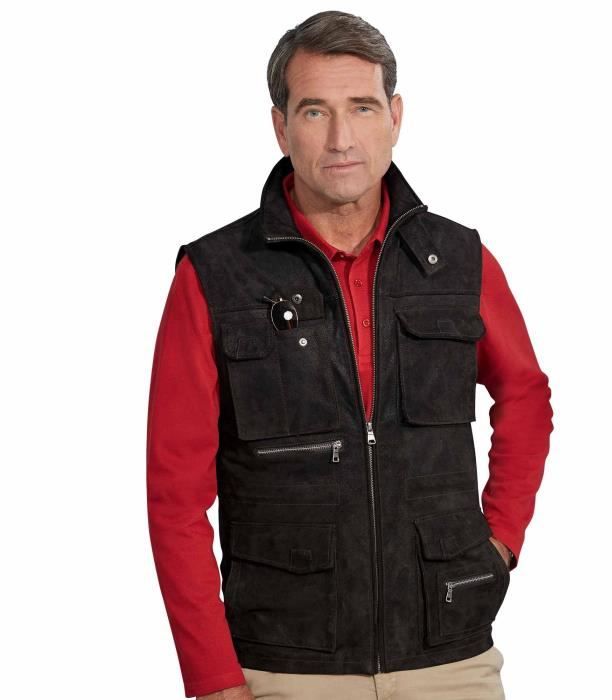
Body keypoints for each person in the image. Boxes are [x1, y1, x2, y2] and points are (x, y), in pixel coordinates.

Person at [147, 10, 554, 700]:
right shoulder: (214, 276)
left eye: (362, 107)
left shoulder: (460, 261)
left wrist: (501, 538)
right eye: (315, 111)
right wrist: (212, 676)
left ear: (394, 117)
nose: (341, 138)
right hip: (283, 667)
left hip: (450, 659)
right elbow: (174, 498)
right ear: (281, 127)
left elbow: (525, 395)